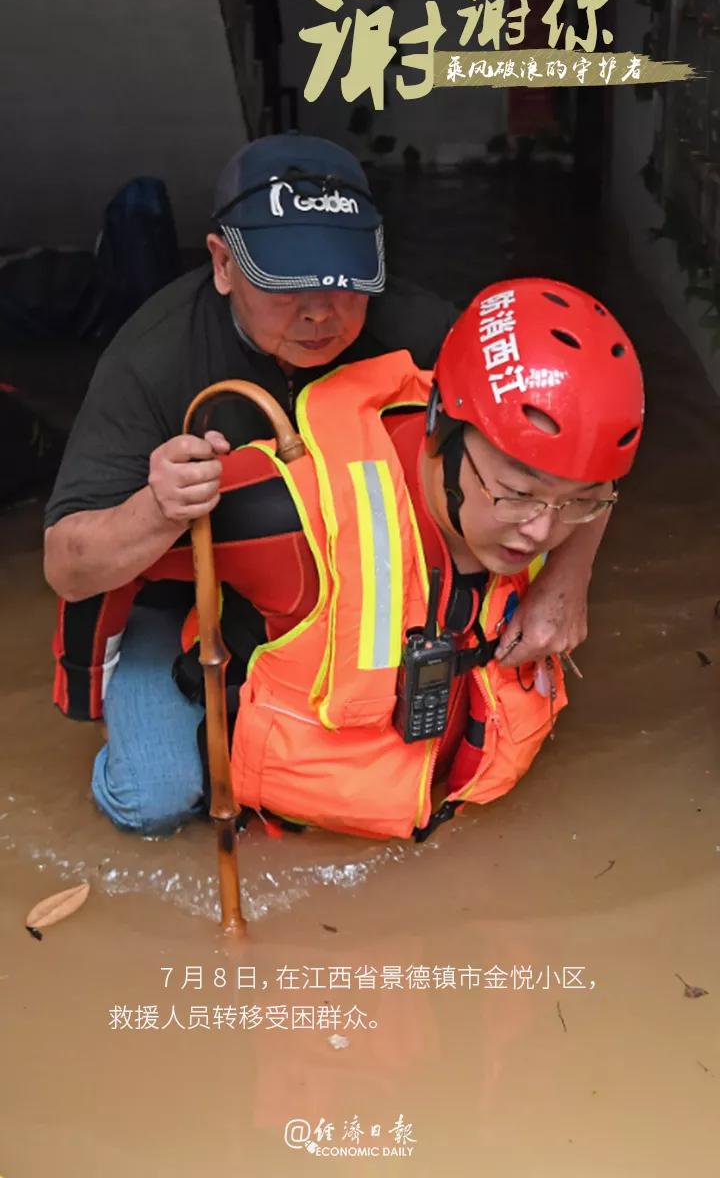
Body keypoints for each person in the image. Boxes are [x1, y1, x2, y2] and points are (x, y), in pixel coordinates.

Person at [46, 133, 621, 834]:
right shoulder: (155, 357)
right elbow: (68, 566)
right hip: (180, 590)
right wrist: (158, 508)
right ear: (223, 264)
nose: (320, 312)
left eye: (345, 280)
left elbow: (581, 443)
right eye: (286, 284)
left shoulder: (422, 331)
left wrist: (568, 577)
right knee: (158, 801)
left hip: (341, 579)